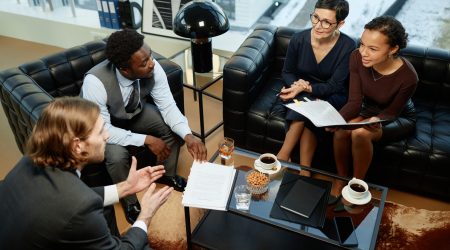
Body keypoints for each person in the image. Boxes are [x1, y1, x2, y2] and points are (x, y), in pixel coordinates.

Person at [0, 97, 173, 249]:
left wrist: (125, 187)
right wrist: (145, 215)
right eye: (100, 132)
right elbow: (77, 204)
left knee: (105, 210)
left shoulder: (30, 160)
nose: (106, 136)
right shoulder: (80, 205)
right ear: (77, 146)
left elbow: (67, 201)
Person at [81, 29, 207, 223]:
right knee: (116, 156)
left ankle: (167, 175)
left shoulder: (153, 67)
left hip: (133, 113)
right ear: (125, 69)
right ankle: (129, 201)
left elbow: (168, 107)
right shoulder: (94, 83)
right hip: (103, 128)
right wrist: (146, 140)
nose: (152, 64)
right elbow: (104, 129)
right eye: (144, 62)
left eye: (150, 56)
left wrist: (188, 136)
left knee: (170, 128)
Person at [329, 16, 418, 197]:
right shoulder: (356, 57)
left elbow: (392, 112)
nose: (363, 52)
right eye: (362, 44)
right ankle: (340, 177)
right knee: (341, 130)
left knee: (360, 134)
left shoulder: (409, 77)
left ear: (393, 49)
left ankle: (357, 185)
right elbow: (354, 101)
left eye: (373, 48)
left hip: (397, 116)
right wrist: (335, 119)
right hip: (367, 108)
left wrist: (377, 119)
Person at [277, 0, 356, 177]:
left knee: (308, 104)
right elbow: (287, 72)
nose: (318, 26)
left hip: (332, 94)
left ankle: (283, 155)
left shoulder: (348, 46)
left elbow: (335, 85)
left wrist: (306, 88)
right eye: (315, 18)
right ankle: (305, 170)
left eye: (326, 22)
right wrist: (298, 86)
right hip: (301, 91)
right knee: (307, 106)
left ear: (340, 24)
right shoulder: (299, 39)